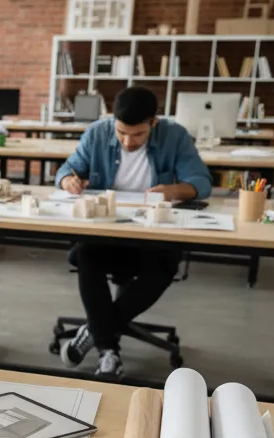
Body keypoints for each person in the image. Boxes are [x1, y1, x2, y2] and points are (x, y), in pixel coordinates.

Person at [55, 85, 212, 380]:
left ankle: (97, 331)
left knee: (165, 265)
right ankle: (108, 350)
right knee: (87, 255)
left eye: (138, 134)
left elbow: (201, 182)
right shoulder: (98, 133)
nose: (128, 142)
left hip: (153, 237)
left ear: (153, 123)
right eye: (121, 133)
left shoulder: (174, 135)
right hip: (107, 232)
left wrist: (176, 189)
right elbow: (67, 169)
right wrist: (68, 182)